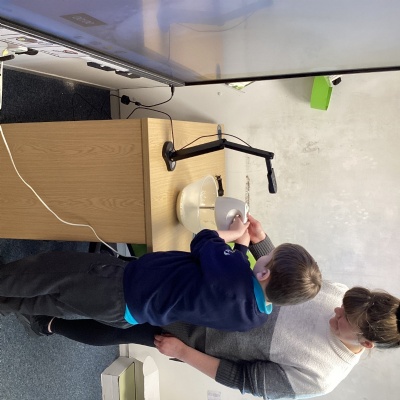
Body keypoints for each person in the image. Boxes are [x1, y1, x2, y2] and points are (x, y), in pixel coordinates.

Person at [23, 215, 400, 399]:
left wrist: (183, 353)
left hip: (194, 336)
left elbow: (243, 379)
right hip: (206, 290)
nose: (335, 310)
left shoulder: (322, 377)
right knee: (119, 291)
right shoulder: (340, 297)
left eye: (344, 319)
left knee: (120, 328)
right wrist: (261, 242)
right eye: (343, 306)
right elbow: (286, 285)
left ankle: (49, 323)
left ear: (366, 343)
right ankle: (53, 287)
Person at [0, 214, 320, 332]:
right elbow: (227, 279)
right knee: (52, 301)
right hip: (126, 314)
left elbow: (204, 240)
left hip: (116, 285)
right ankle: (5, 304)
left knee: (46, 273)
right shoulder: (256, 316)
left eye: (267, 257)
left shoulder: (234, 274)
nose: (261, 255)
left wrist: (234, 235)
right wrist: (240, 249)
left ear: (263, 275)